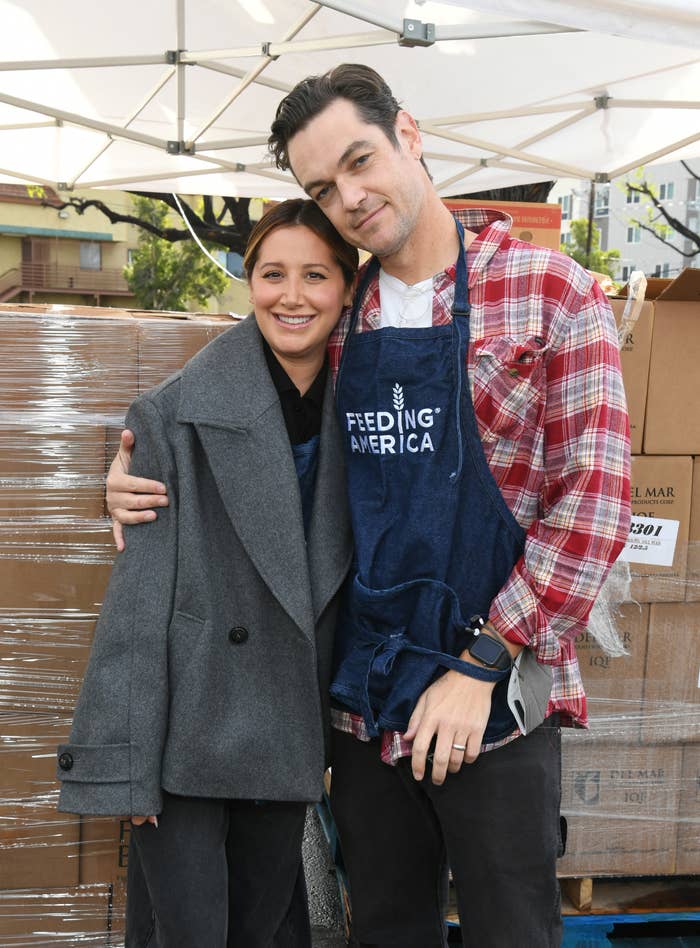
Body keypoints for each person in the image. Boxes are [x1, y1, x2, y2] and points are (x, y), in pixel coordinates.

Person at [106, 65, 631, 948]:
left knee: (514, 930)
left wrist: (481, 664)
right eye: (321, 186)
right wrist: (132, 474)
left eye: (359, 161)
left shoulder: (550, 292)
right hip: (362, 704)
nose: (347, 198)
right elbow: (240, 439)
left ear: (409, 136)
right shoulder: (336, 317)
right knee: (384, 926)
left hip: (493, 704)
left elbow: (595, 505)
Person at [56, 198, 358, 948]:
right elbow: (138, 603)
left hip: (288, 739)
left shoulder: (368, 418)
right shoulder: (173, 415)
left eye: (315, 275)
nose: (292, 296)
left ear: (347, 288)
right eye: (271, 273)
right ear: (246, 280)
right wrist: (128, 764)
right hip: (185, 740)